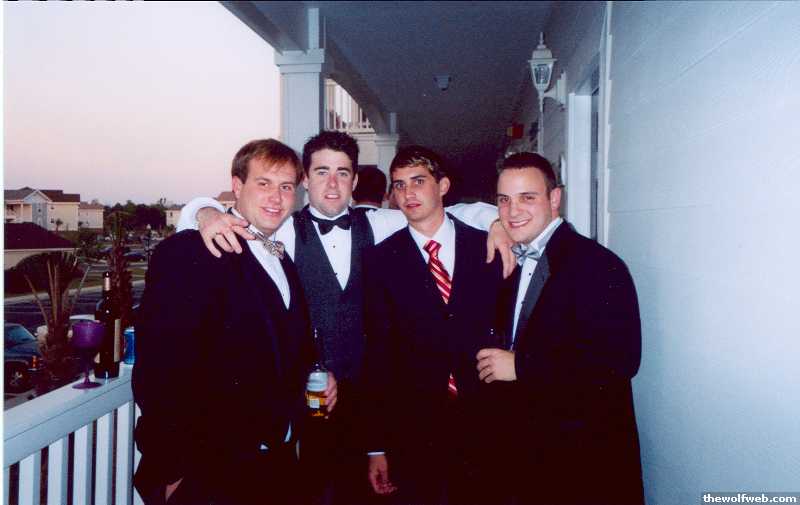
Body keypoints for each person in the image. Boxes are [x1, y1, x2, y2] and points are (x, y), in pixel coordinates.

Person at [176, 131, 514, 505]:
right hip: (307, 400)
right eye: (321, 172)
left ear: (354, 181)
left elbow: (449, 212)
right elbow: (214, 221)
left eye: (342, 173)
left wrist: (498, 223)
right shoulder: (280, 228)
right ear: (305, 180)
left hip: (370, 398)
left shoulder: (381, 222)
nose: (333, 184)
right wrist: (204, 212)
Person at [132, 139, 336, 505]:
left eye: (286, 187)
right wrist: (173, 470)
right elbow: (159, 367)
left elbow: (279, 348)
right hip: (208, 472)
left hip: (273, 466)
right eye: (264, 183)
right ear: (237, 186)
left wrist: (316, 375)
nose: (276, 197)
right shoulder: (194, 249)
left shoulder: (282, 260)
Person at [476, 152, 644, 505]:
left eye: (527, 197)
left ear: (555, 198)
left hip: (579, 458)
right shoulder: (513, 256)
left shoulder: (597, 265)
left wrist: (521, 365)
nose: (512, 211)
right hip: (528, 453)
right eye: (504, 200)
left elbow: (621, 360)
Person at [362, 146, 504, 505]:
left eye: (418, 181)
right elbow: (377, 356)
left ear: (442, 186)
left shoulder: (487, 247)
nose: (408, 193)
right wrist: (376, 446)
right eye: (399, 185)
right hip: (414, 429)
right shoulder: (380, 260)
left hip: (487, 421)